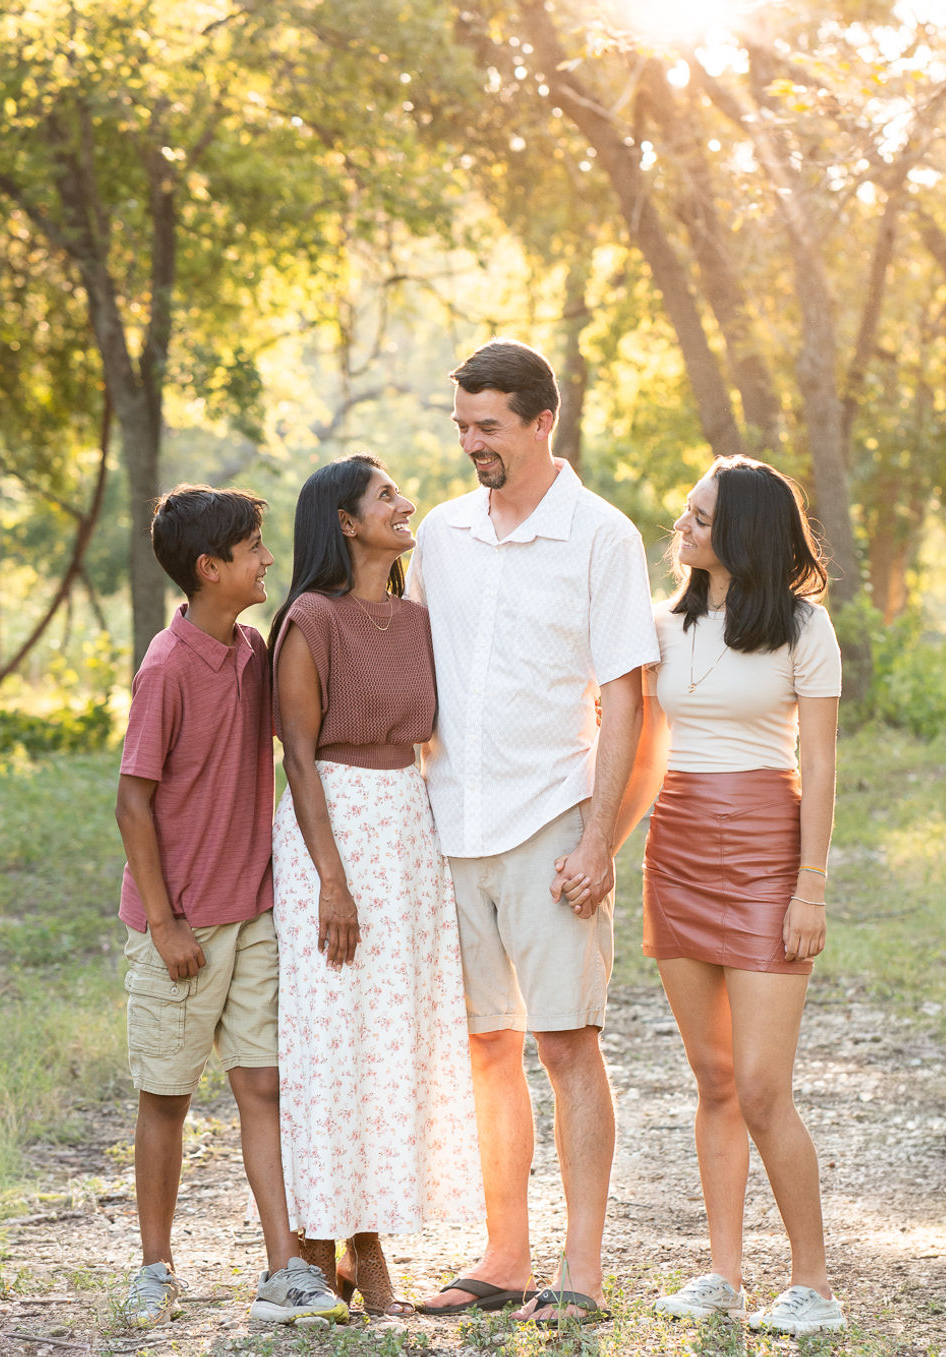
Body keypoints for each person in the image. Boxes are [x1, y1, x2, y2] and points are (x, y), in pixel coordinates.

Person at [408, 340, 660, 1326]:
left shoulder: (602, 537)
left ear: (542, 420)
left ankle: (580, 1270)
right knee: (484, 1048)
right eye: (462, 426)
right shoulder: (441, 532)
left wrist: (600, 841)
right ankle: (503, 1255)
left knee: (566, 1045)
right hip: (452, 826)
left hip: (553, 823)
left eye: (490, 428)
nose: (472, 444)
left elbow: (627, 702)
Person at [575, 455, 845, 1336]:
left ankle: (811, 1284)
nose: (680, 527)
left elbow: (820, 768)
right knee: (717, 1079)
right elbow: (645, 753)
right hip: (679, 853)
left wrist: (811, 887)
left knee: (766, 1087)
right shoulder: (658, 626)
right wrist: (605, 850)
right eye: (685, 511)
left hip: (770, 853)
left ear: (744, 534)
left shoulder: (806, 630)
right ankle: (724, 1274)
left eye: (698, 516)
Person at [115, 485, 349, 1328]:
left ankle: (283, 1265)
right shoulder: (168, 668)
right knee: (167, 1096)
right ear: (210, 568)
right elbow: (132, 801)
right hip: (178, 926)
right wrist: (168, 920)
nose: (267, 559)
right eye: (253, 548)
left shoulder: (255, 651)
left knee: (264, 1086)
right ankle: (154, 1264)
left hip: (252, 914)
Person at [267, 454, 483, 1317]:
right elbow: (298, 755)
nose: (405, 504)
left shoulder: (416, 616)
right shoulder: (309, 620)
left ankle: (365, 1239)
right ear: (346, 523)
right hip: (336, 834)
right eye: (386, 497)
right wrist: (331, 881)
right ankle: (323, 1246)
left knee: (390, 1044)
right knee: (329, 1042)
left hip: (406, 830)